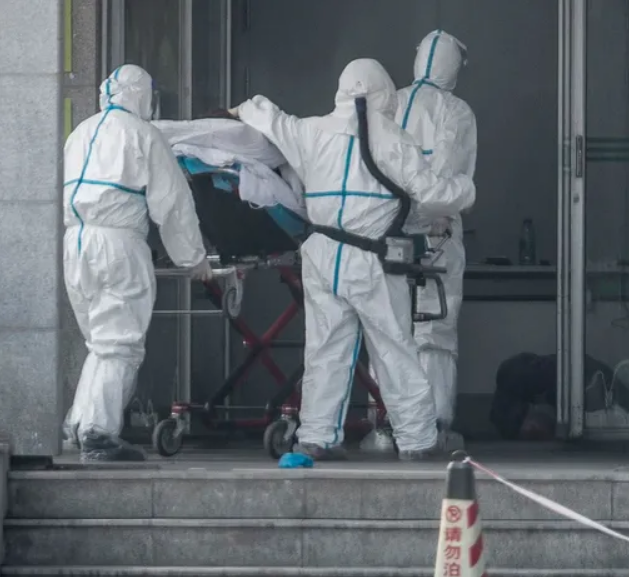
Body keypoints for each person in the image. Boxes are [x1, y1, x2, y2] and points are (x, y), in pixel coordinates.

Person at [230, 58, 476, 461]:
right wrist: (465, 189)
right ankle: (417, 440)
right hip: (371, 259)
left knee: (325, 351)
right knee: (394, 349)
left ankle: (317, 436)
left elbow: (270, 118)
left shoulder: (311, 130)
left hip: (322, 255)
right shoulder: (393, 140)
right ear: (382, 92)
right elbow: (431, 195)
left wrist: (241, 109)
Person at [63, 64, 211, 462]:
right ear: (143, 95)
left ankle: (79, 423)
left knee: (100, 341)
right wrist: (194, 258)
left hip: (76, 244)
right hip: (118, 245)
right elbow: (173, 204)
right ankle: (98, 433)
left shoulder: (80, 134)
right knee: (119, 343)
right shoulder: (143, 135)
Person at [395, 30, 477, 450]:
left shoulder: (390, 103)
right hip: (437, 232)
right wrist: (430, 219)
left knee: (389, 326)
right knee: (434, 328)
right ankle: (434, 425)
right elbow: (445, 174)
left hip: (386, 231)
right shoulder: (456, 111)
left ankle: (390, 423)